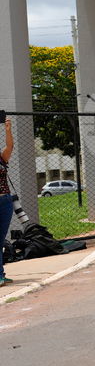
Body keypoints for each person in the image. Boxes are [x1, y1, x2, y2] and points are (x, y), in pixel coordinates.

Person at [0, 116, 13, 287]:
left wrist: (8, 130)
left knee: (0, 239)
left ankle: (1, 273)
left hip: (5, 202)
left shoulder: (2, 158)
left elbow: (10, 146)